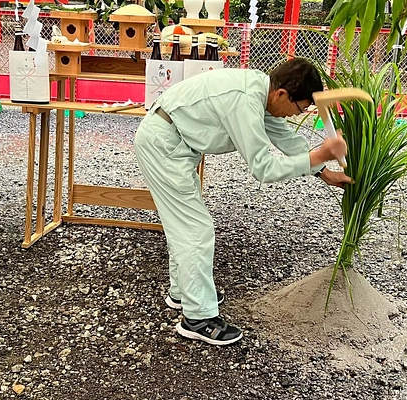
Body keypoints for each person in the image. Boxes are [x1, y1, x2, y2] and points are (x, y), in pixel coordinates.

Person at [134, 59, 352, 346]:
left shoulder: (262, 92)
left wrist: (323, 172)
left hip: (174, 143)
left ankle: (184, 293)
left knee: (184, 225)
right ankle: (198, 318)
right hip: (164, 146)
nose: (295, 115)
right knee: (194, 230)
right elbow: (263, 168)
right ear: (282, 94)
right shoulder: (245, 101)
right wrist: (319, 155)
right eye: (299, 109)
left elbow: (284, 137)